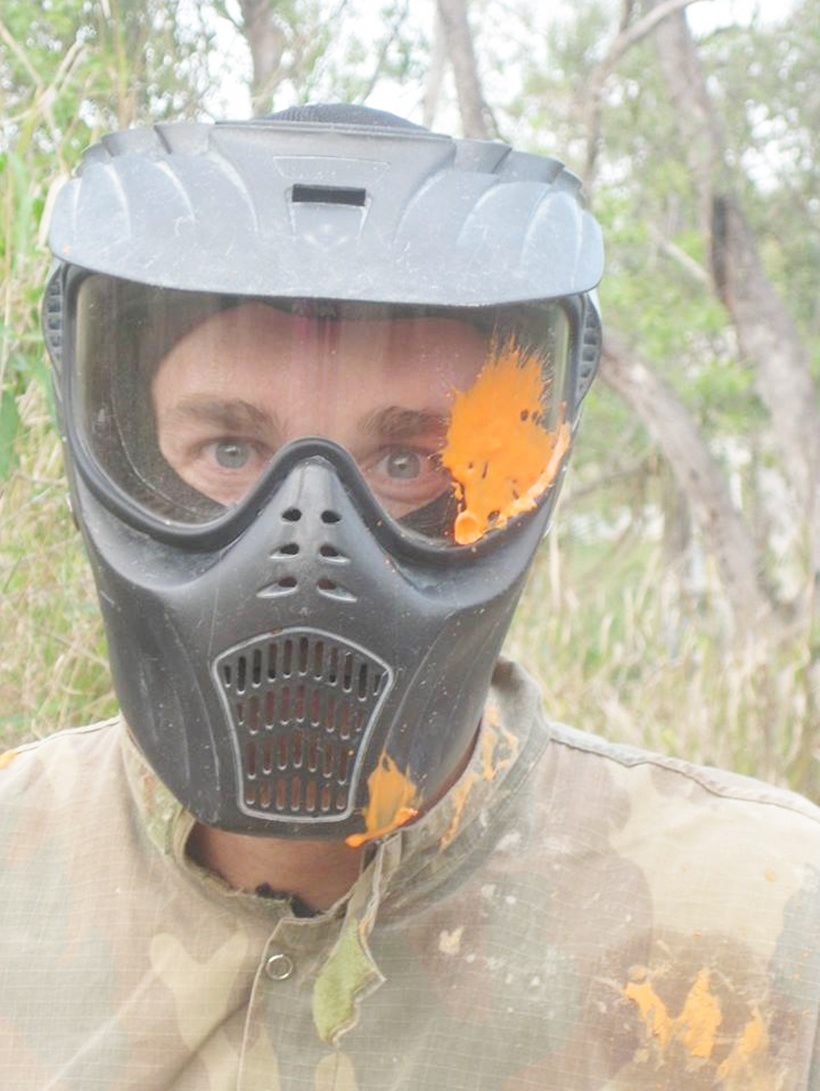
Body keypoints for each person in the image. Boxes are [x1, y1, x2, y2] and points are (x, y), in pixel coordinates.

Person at [1, 103, 817, 1089]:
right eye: (228, 448)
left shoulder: (767, 923)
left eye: (401, 460)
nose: (305, 549)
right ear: (127, 451)